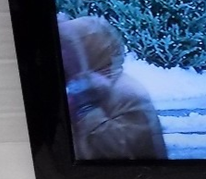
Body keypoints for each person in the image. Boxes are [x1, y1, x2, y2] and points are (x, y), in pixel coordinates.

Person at [58, 14, 168, 160]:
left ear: (89, 50)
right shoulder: (84, 87)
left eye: (69, 48)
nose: (64, 56)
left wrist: (88, 110)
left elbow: (121, 154)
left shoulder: (126, 92)